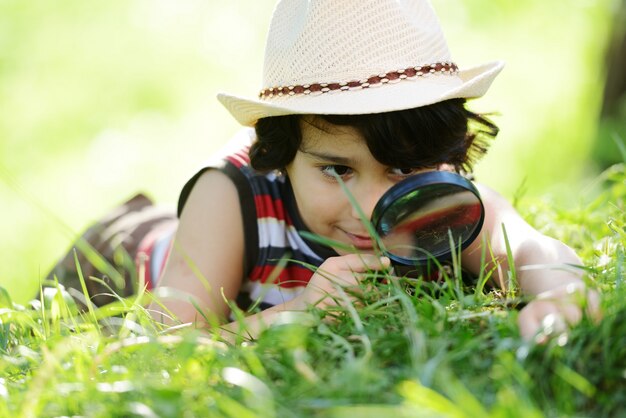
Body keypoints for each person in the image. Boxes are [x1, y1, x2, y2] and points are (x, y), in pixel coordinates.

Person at [47, 0, 599, 342]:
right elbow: (161, 348)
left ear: (444, 156)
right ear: (282, 157)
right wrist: (298, 313)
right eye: (337, 170)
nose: (369, 205)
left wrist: (558, 295)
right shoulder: (230, 195)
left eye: (402, 168)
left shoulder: (439, 203)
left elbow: (529, 248)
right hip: (122, 262)